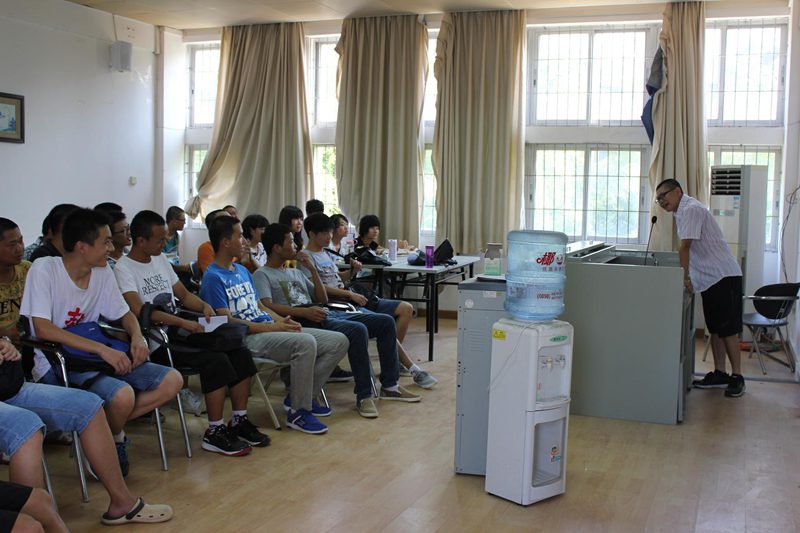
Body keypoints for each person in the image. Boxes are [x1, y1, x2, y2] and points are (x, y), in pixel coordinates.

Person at [21, 208, 183, 476]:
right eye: (105, 241)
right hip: (58, 361)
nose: (111, 247)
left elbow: (124, 314)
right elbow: (42, 328)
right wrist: (102, 349)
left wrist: (137, 337)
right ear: (82, 246)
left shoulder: (102, 271)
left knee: (172, 380)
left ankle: (100, 437)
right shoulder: (45, 269)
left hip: (96, 356)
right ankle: (110, 439)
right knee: (122, 395)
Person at [114, 210, 268, 455]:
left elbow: (184, 295)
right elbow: (139, 310)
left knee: (239, 350)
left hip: (179, 331)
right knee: (215, 360)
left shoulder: (159, 259)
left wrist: (203, 306)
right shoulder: (124, 268)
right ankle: (214, 431)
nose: (165, 244)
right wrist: (182, 323)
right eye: (160, 239)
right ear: (140, 240)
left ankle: (239, 419)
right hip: (157, 342)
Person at [254, 223, 421, 419]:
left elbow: (322, 298)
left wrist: (312, 270)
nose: (296, 246)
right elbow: (267, 306)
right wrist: (303, 312)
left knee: (385, 322)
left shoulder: (296, 272)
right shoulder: (262, 274)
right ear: (276, 247)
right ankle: (364, 395)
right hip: (301, 320)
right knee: (358, 330)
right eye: (290, 242)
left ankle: (390, 386)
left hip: (323, 312)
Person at [198, 216, 348, 435]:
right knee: (306, 342)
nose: (245, 241)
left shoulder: (241, 271)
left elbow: (259, 306)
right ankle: (299, 411)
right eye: (240, 236)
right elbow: (228, 322)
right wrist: (272, 328)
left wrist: (281, 321)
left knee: (338, 341)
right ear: (225, 242)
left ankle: (299, 397)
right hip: (247, 338)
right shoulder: (213, 277)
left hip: (268, 329)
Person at [0, 339, 173, 526]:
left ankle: (122, 503)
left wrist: (5, 344)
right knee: (26, 427)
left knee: (89, 405)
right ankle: (33, 523)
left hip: (9, 386)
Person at [303, 214, 438, 389]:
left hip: (351, 298)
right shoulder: (305, 258)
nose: (329, 236)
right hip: (339, 305)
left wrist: (352, 271)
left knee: (398, 314)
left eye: (330, 232)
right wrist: (349, 294)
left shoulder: (325, 253)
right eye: (324, 233)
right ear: (312, 234)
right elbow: (317, 290)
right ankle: (410, 370)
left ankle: (402, 368)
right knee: (384, 323)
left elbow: (337, 279)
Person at [655, 178, 745, 397]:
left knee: (728, 330)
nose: (662, 201)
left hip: (723, 276)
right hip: (710, 279)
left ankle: (738, 376)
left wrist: (684, 278)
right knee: (715, 328)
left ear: (677, 191)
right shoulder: (680, 212)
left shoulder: (691, 209)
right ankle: (720, 373)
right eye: (658, 199)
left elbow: (685, 246)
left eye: (664, 196)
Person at [196, 209, 233, 274]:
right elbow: (213, 276)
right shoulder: (206, 248)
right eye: (225, 220)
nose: (232, 222)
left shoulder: (235, 245)